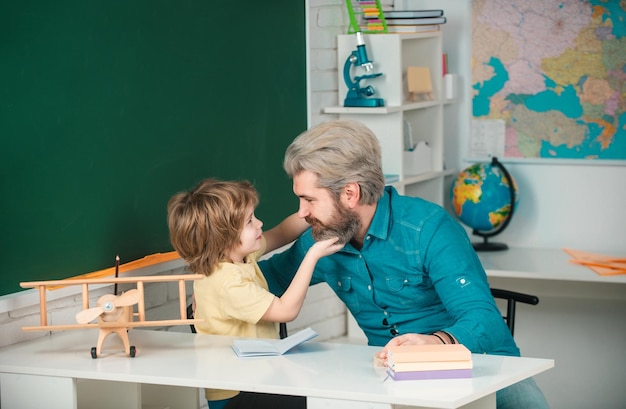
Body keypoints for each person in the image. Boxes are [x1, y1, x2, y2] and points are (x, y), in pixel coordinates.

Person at [259, 120, 549, 409]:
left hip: (485, 366)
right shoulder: (322, 239)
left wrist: (435, 343)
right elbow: (262, 282)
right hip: (392, 381)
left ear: (350, 194)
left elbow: (486, 322)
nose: (301, 212)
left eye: (309, 199)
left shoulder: (428, 228)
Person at [167, 178, 342, 409]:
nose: (259, 223)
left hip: (258, 379)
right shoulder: (226, 282)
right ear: (224, 238)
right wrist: (312, 255)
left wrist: (312, 214)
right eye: (250, 221)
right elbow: (286, 311)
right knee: (323, 397)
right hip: (239, 394)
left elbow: (282, 232)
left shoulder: (234, 257)